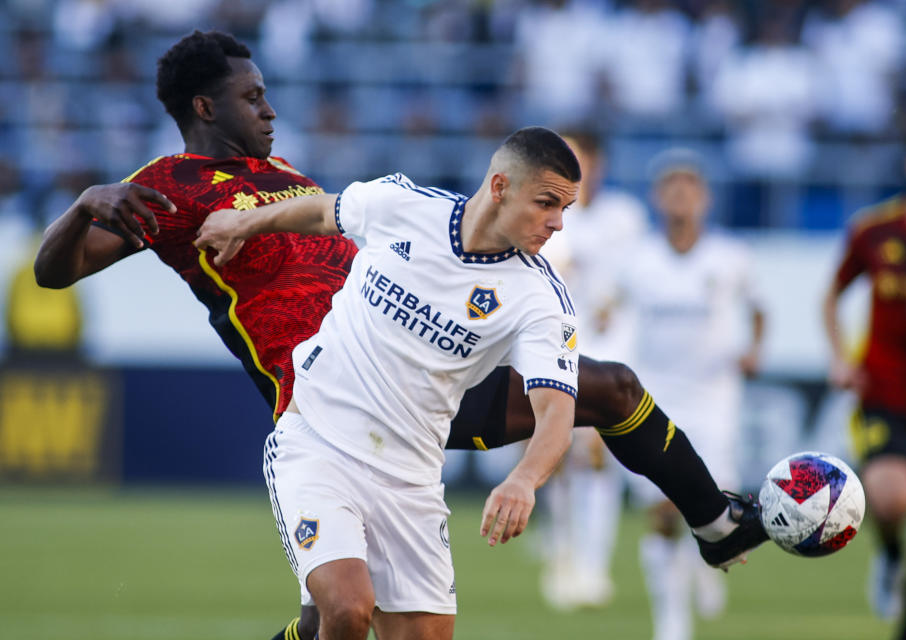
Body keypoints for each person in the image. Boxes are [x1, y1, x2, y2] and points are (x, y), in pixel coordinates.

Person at [34, 30, 767, 640]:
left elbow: (331, 216)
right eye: (252, 97)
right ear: (204, 106)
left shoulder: (280, 172)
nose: (270, 109)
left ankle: (714, 522)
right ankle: (716, 522)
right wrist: (85, 205)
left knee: (608, 389)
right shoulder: (167, 188)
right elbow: (54, 272)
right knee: (345, 613)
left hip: (420, 377)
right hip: (325, 396)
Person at [192, 125, 581, 640]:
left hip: (411, 480)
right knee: (348, 608)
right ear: (501, 186)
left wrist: (523, 479)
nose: (556, 223)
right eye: (547, 203)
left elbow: (556, 411)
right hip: (319, 442)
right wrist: (245, 223)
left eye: (564, 210)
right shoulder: (401, 204)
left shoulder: (539, 299)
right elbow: (319, 211)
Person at [823, 114, 906, 640]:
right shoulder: (876, 231)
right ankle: (887, 555)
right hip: (886, 392)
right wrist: (840, 356)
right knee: (890, 497)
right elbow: (832, 294)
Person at [620, 149, 765, 640]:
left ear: (704, 198)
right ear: (658, 197)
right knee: (663, 509)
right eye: (671, 187)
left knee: (712, 508)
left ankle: (707, 564)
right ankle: (671, 621)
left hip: (714, 398)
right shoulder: (638, 259)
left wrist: (754, 349)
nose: (680, 196)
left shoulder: (730, 256)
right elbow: (610, 309)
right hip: (655, 396)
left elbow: (760, 308)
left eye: (689, 187)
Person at [537, 130, 648, 610]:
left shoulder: (626, 217)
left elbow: (638, 280)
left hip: (613, 350)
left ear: (596, 163)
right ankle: (563, 552)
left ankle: (594, 563)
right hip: (557, 347)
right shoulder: (553, 217)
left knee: (598, 454)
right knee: (557, 456)